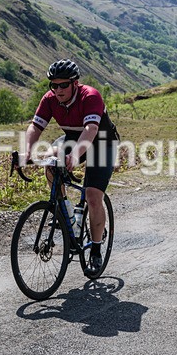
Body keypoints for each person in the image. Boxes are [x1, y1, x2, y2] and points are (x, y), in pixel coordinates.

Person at [23, 59, 118, 272]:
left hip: (102, 143)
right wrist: (27, 151)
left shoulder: (90, 96)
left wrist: (74, 156)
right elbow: (35, 127)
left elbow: (91, 129)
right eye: (54, 85)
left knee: (93, 196)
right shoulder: (50, 99)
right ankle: (66, 213)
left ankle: (95, 249)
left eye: (63, 85)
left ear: (75, 83)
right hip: (74, 139)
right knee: (50, 161)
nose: (58, 90)